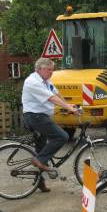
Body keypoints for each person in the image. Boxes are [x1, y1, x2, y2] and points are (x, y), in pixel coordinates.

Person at [22, 57, 79, 192]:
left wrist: (69, 105)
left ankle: (39, 182)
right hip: (35, 117)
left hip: (41, 116)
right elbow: (51, 98)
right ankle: (39, 160)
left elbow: (56, 94)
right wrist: (69, 108)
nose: (52, 72)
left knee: (42, 149)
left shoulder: (46, 81)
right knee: (62, 137)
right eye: (49, 70)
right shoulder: (33, 82)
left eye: (53, 70)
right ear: (40, 69)